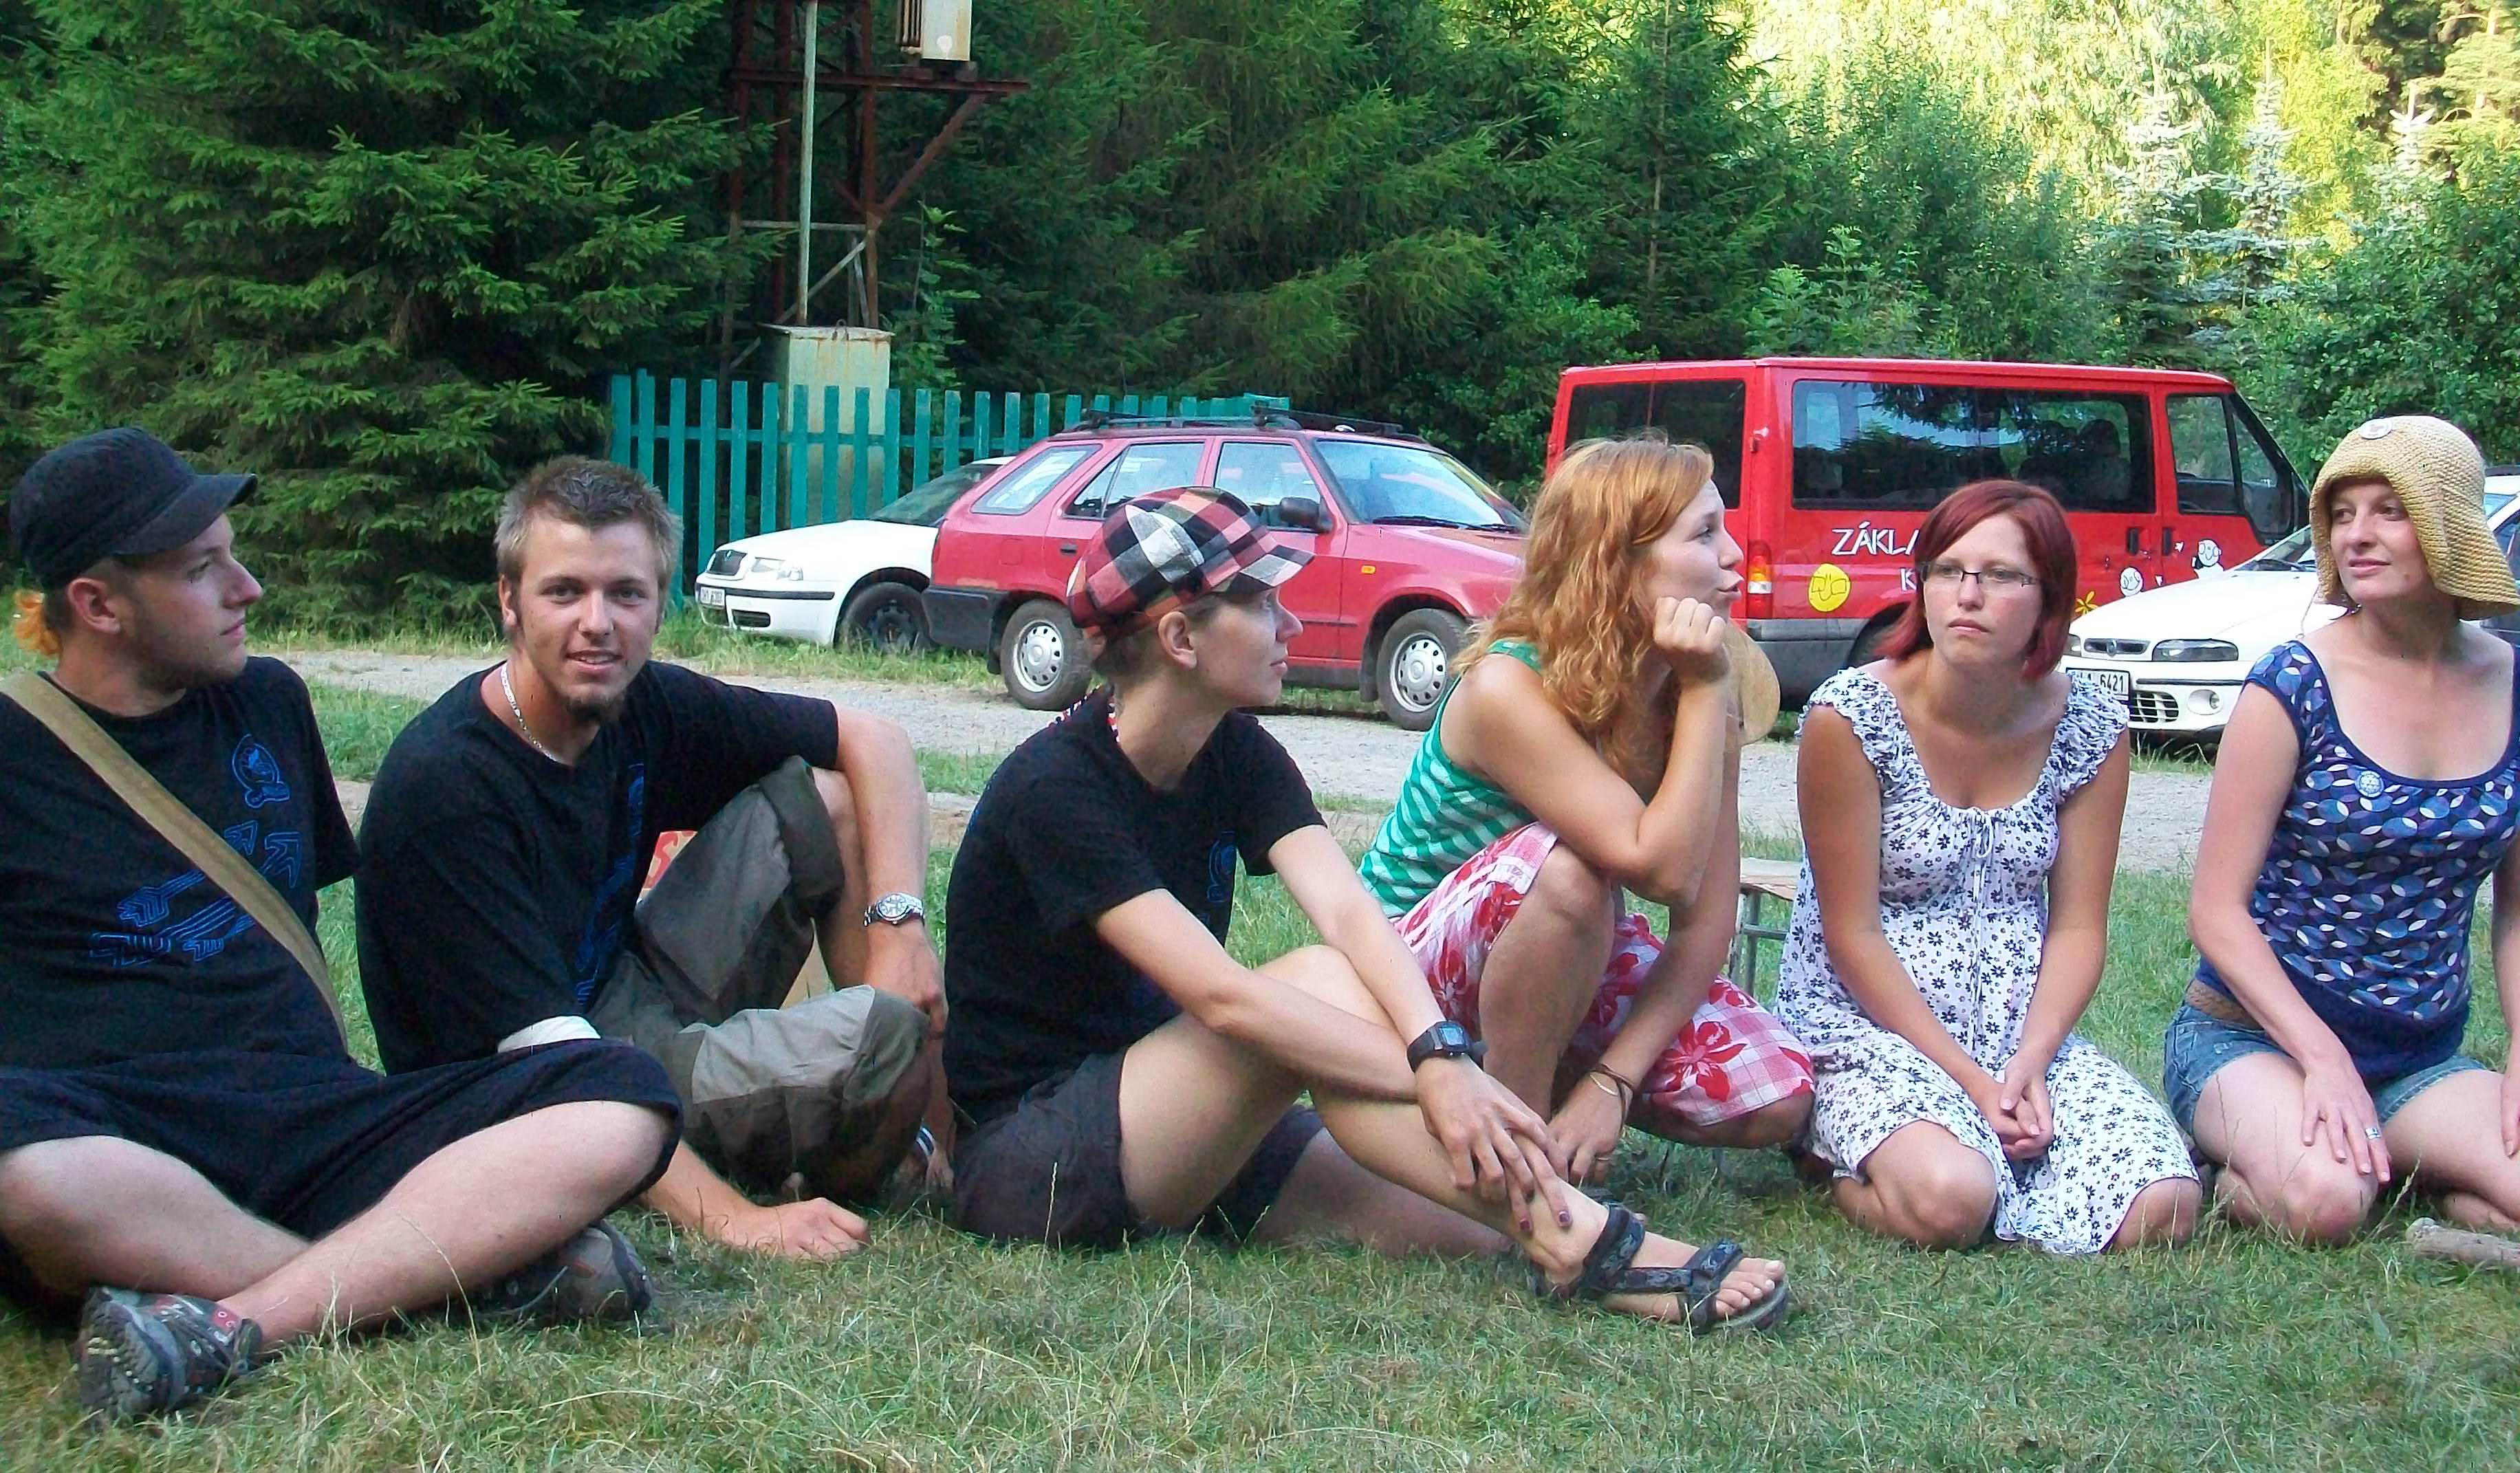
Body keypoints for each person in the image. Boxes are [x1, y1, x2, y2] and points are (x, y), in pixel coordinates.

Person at [943, 487, 1791, 1331]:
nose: (1291, 624)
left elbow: (1352, 916)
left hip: (1184, 1117)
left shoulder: (1236, 750)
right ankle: (1581, 1239)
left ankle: (1555, 1223)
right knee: (1317, 986)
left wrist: (1440, 1053)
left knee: (1474, 1227)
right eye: (1262, 604)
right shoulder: (1055, 789)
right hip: (1039, 1158)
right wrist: (1438, 1072)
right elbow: (1222, 998)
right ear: (1179, 639)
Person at [0, 428, 680, 1421]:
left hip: (316, 1118)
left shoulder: (268, 704)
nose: (247, 589)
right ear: (99, 605)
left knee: (624, 1093)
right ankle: (443, 1279)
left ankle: (240, 1319)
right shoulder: (14, 752)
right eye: (201, 569)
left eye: (234, 554)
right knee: (27, 1173)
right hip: (117, 1130)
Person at [356, 457, 943, 1263]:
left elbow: (873, 740)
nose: (597, 623)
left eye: (625, 594)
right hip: (519, 1095)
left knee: (828, 799)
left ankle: (939, 1150)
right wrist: (736, 1220)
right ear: (509, 602)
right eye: (564, 592)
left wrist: (899, 928)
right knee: (884, 1036)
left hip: (624, 992)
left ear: (659, 604)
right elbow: (559, 1065)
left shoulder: (644, 706)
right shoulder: (447, 786)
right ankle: (848, 1157)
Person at [1354, 437, 1812, 1187]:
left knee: (1776, 1092)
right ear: (1617, 562)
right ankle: (1518, 1155)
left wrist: (1612, 1083)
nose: (1734, 556)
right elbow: (1659, 871)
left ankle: (1550, 1079)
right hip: (1403, 977)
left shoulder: (1701, 684)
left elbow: (1704, 917)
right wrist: (1705, 690)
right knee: (1569, 874)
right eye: (1704, 534)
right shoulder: (1507, 685)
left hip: (1559, 950)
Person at [1777, 480, 2199, 1253]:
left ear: (2049, 600)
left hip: (2017, 1031)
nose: (1966, 596)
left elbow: (2078, 928)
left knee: (2162, 1206)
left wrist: (2029, 1063)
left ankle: (1983, 1147)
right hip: (1867, 1027)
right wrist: (1971, 1083)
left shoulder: (2090, 725)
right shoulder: (1851, 717)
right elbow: (1850, 934)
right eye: (1947, 570)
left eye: (2001, 576)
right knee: (1953, 1202)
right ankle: (1831, 1158)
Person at [2171, 415, 2520, 1243]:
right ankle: (2238, 1167)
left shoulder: (2511, 682)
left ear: (2449, 524)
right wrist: (2322, 1060)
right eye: (2340, 513)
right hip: (2252, 1039)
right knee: (2325, 1204)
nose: (2355, 535)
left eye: (2388, 511)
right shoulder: (2291, 684)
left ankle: (2420, 1172)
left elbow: (2516, 910)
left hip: (2418, 1059)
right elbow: (2215, 911)